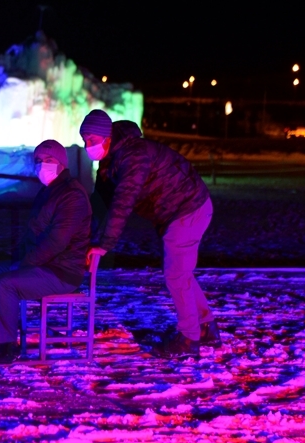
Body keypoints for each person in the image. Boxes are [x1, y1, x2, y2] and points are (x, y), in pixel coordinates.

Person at [81, 109, 218, 359]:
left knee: (176, 274)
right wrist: (84, 234)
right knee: (181, 272)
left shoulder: (134, 157)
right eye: (84, 140)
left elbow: (122, 203)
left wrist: (104, 244)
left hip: (187, 208)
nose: (87, 146)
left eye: (91, 140)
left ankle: (189, 338)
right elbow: (100, 202)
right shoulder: (111, 160)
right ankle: (206, 325)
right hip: (179, 211)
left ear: (106, 136)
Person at [0, 140, 92, 364]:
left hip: (61, 271)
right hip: (41, 264)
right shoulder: (49, 192)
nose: (42, 166)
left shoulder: (72, 195)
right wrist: (20, 258)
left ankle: (8, 346)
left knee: (5, 283)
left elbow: (56, 241)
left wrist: (25, 263)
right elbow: (33, 234)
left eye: (48, 161)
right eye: (38, 161)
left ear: (61, 164)